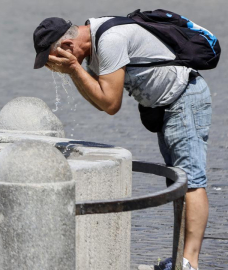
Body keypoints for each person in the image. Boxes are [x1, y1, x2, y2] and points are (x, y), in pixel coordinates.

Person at [33, 17, 212, 270]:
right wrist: (77, 70)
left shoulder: (110, 41)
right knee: (177, 181)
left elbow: (110, 103)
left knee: (190, 180)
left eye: (54, 58)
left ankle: (189, 264)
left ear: (68, 45)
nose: (54, 67)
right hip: (171, 105)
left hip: (184, 100)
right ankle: (181, 259)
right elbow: (102, 103)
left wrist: (74, 69)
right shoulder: (95, 44)